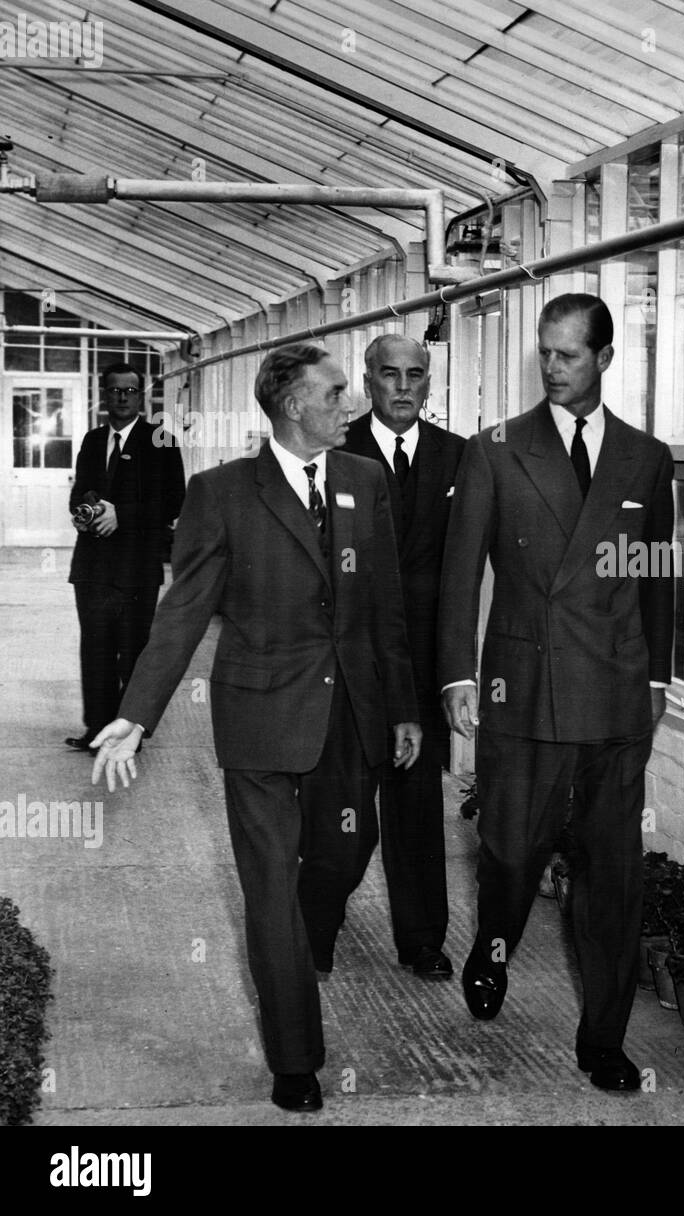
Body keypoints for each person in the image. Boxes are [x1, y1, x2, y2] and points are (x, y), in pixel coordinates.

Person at [91, 344, 421, 1114]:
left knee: (344, 853)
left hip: (350, 718)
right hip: (261, 720)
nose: (352, 404)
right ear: (294, 406)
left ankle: (304, 940)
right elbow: (182, 614)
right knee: (269, 888)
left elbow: (386, 606)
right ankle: (295, 1059)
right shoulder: (222, 494)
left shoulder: (365, 482)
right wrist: (136, 714)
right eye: (338, 393)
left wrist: (403, 705)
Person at [438, 293, 675, 1093]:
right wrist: (459, 673)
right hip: (523, 686)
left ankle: (603, 1040)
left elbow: (655, 577)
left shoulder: (646, 458)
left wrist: (654, 676)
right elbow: (460, 572)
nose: (552, 368)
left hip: (613, 693)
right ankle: (492, 947)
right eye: (545, 353)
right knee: (511, 852)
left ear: (605, 359)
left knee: (612, 875)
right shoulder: (496, 449)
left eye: (568, 356)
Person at [341, 334, 465, 980]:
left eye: (416, 375)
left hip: (421, 669)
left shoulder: (459, 458)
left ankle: (422, 939)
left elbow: (472, 570)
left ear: (430, 382)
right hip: (349, 666)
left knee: (417, 809)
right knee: (345, 809)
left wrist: (460, 671)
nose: (403, 387)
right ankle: (321, 917)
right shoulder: (334, 453)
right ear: (368, 382)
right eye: (389, 375)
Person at [66, 362, 185, 751]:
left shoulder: (161, 440)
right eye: (114, 391)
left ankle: (129, 732)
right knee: (96, 647)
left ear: (143, 396)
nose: (121, 398)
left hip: (137, 567)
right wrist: (87, 512)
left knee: (133, 650)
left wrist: (122, 514)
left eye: (129, 391)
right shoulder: (91, 440)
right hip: (93, 567)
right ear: (103, 395)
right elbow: (79, 491)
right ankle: (96, 728)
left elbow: (174, 500)